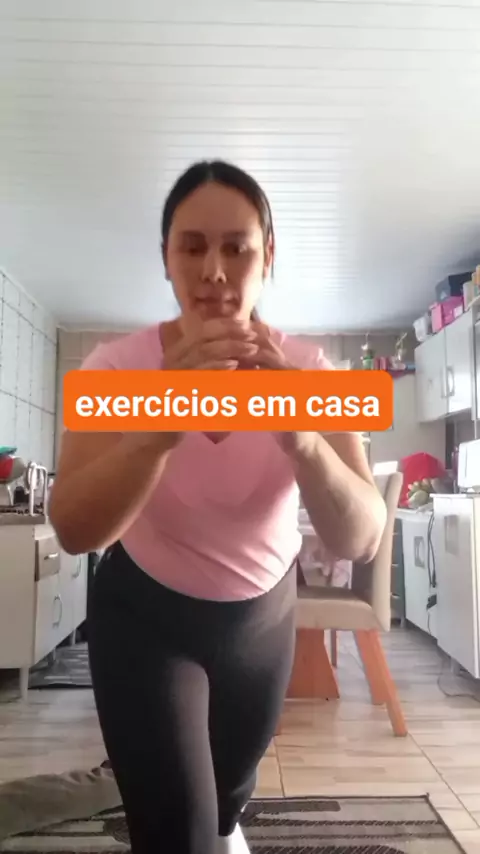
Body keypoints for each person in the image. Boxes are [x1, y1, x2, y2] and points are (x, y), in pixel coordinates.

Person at [49, 160, 387, 854]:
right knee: (178, 831)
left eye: (237, 248)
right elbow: (74, 528)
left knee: (226, 805)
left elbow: (360, 537)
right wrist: (160, 421)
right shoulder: (114, 369)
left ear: (268, 257)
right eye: (193, 246)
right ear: (166, 259)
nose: (214, 270)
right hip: (144, 619)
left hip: (261, 625)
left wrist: (303, 437)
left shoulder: (313, 373)